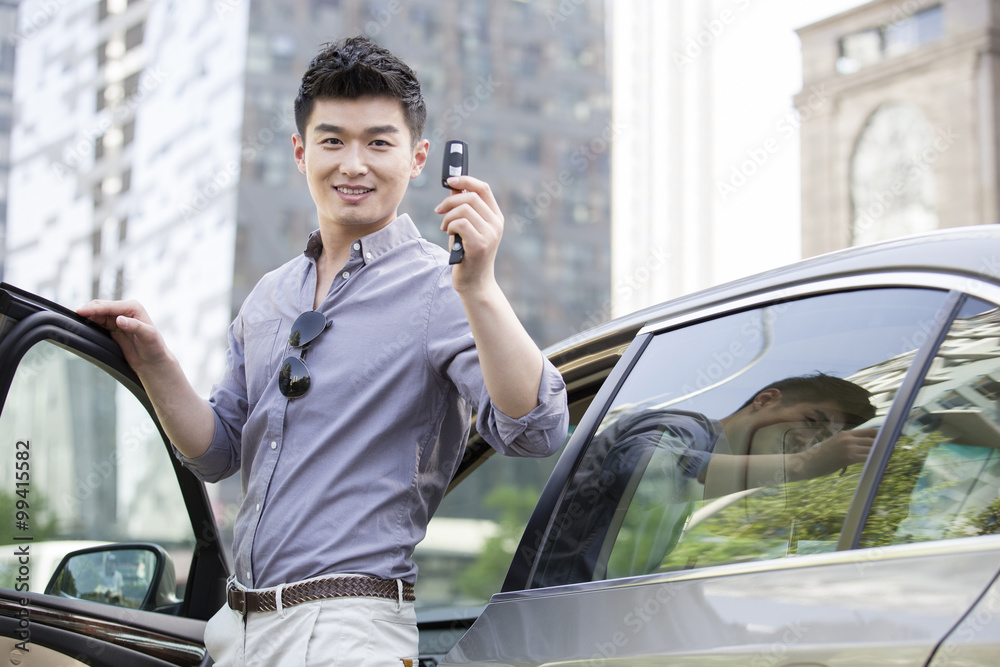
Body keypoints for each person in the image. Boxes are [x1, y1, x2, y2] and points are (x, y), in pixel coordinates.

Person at [78, 36, 569, 666]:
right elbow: (217, 453)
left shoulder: (441, 288)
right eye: (333, 140)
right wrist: (152, 362)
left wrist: (478, 285)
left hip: (347, 631)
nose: (354, 164)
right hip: (235, 628)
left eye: (379, 142)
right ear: (300, 151)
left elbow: (537, 430)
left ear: (419, 158)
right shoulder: (268, 297)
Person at [535, 372, 876, 585]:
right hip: (550, 622)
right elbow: (641, 475)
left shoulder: (727, 480)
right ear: (766, 399)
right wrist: (803, 465)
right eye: (812, 422)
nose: (807, 442)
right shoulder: (686, 428)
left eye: (820, 441)